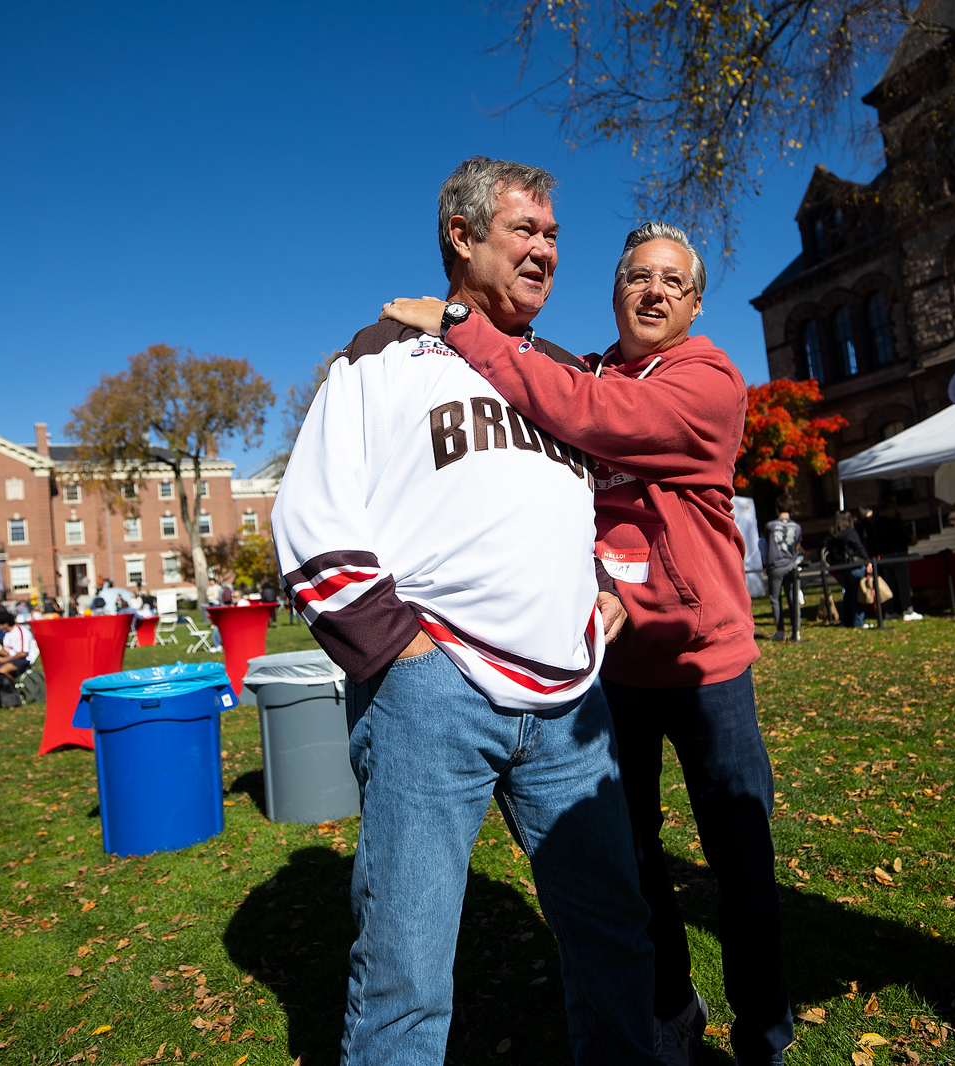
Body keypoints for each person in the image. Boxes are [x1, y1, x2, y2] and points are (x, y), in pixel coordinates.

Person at [274, 156, 662, 1066]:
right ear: (462, 235)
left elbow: (606, 511)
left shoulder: (561, 373)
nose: (545, 251)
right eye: (525, 231)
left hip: (573, 709)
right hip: (432, 692)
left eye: (555, 236)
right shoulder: (381, 356)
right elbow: (311, 517)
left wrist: (606, 583)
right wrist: (398, 650)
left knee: (616, 937)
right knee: (406, 977)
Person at [382, 218, 794, 1065]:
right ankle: (670, 1007)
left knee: (741, 868)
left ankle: (764, 1035)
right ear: (614, 289)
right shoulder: (583, 368)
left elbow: (596, 414)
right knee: (632, 861)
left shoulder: (706, 379)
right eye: (638, 276)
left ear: (695, 303)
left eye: (672, 282)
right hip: (612, 667)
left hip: (704, 661)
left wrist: (464, 325)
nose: (653, 291)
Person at [869, 501, 920, 621]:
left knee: (889, 586)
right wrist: (909, 540)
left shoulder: (875, 523)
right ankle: (907, 610)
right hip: (896, 555)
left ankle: (890, 611)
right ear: (886, 509)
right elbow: (899, 538)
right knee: (902, 584)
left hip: (884, 557)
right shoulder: (890, 522)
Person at [828, 511, 873, 630]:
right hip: (854, 566)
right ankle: (858, 622)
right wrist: (868, 561)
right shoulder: (850, 533)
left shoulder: (834, 535)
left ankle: (846, 621)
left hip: (842, 568)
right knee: (856, 595)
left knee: (847, 595)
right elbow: (859, 548)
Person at [765, 510, 803, 642]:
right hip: (791, 564)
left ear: (776, 509)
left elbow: (766, 543)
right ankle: (796, 632)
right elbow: (797, 545)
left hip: (775, 565)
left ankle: (780, 632)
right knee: (793, 599)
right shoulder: (797, 526)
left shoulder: (770, 526)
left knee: (775, 599)